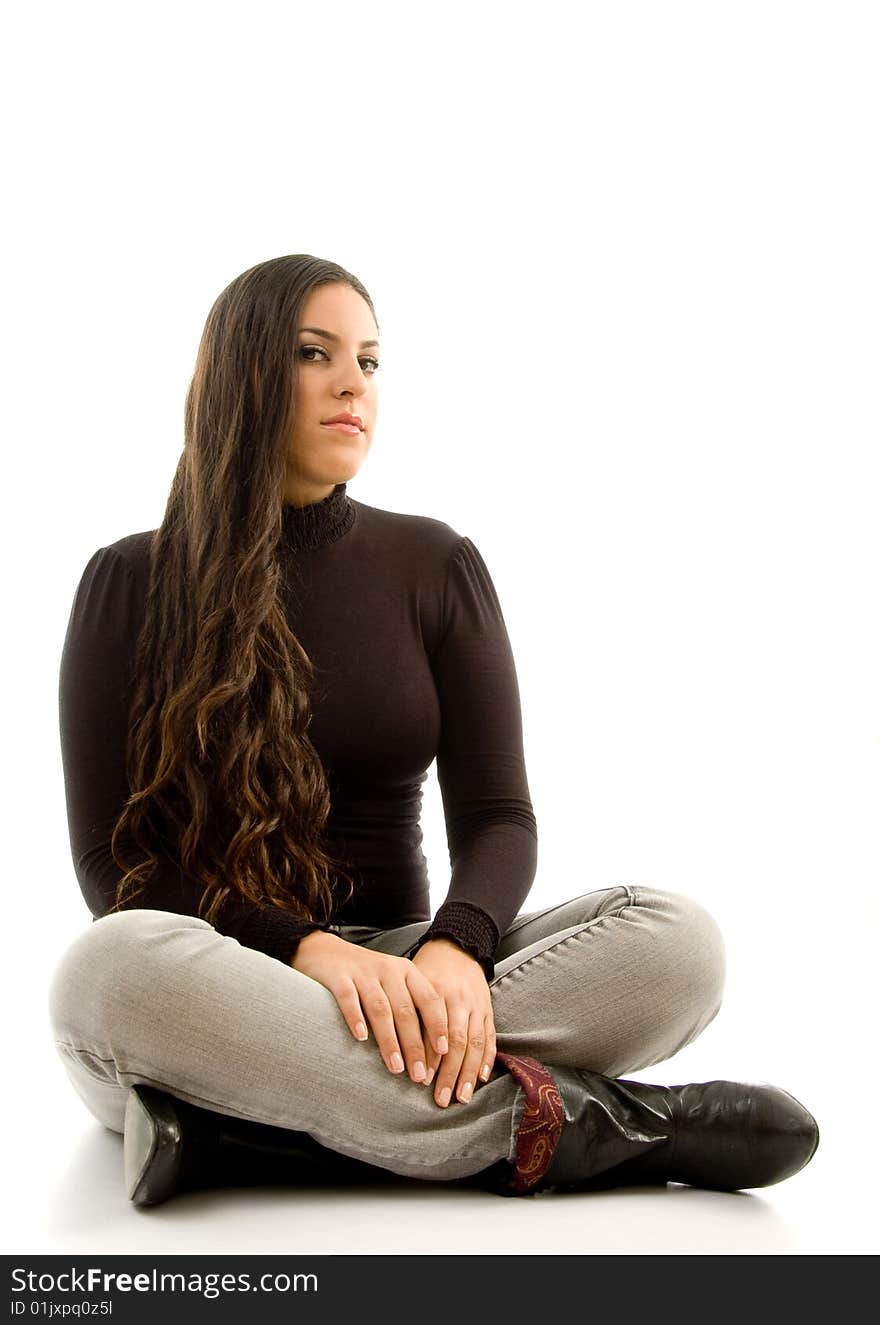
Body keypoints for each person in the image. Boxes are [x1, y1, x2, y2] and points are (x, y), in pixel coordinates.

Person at [49, 255, 819, 1207]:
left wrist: (453, 947)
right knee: (106, 974)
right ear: (243, 372)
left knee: (681, 942)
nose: (352, 384)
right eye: (313, 353)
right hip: (225, 984)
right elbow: (111, 866)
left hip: (411, 967)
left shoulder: (433, 563)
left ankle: (243, 1134)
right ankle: (604, 1125)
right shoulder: (127, 582)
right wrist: (307, 952)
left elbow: (500, 815)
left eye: (370, 361)